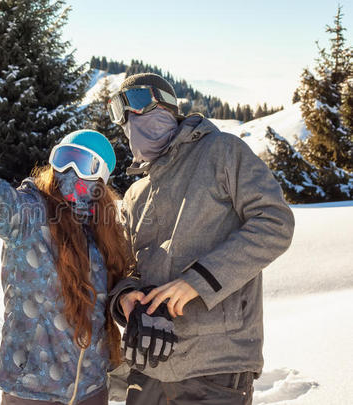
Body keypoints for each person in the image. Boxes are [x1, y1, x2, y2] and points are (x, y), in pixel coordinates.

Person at [0, 87, 134, 405]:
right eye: (64, 158)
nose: (71, 171)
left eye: (84, 164)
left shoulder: (107, 235)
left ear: (101, 178)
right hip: (31, 393)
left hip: (92, 392)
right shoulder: (30, 214)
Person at [106, 74, 296, 405]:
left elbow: (275, 222)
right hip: (149, 365)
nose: (129, 118)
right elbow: (126, 267)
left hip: (214, 368)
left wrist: (198, 281)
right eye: (119, 111)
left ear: (167, 104)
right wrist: (125, 298)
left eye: (137, 102)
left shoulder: (222, 151)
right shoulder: (136, 193)